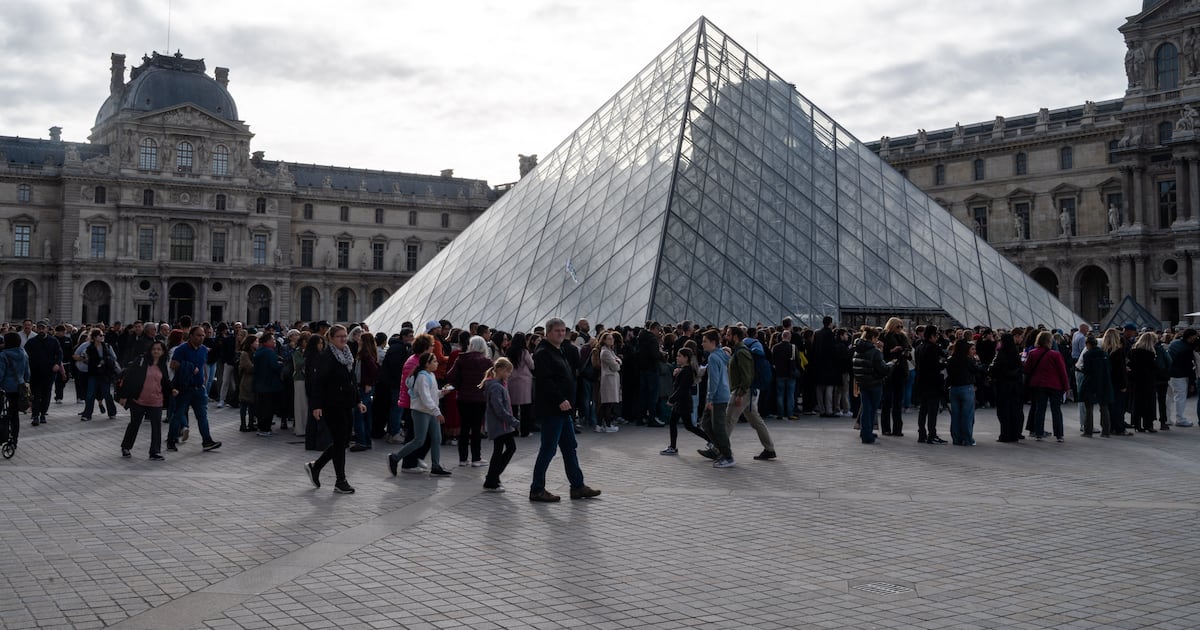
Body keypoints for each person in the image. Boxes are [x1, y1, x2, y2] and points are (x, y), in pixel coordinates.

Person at [528, 318, 600, 502]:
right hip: (553, 408)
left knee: (570, 447)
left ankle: (577, 486)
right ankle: (536, 489)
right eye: (557, 331)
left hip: (563, 409)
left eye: (562, 331)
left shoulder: (559, 349)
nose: (561, 334)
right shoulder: (543, 352)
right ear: (548, 332)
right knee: (548, 449)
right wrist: (560, 399)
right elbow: (545, 380)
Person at [305, 324, 366, 494]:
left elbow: (352, 379)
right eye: (339, 336)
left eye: (345, 335)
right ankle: (341, 480)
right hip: (331, 404)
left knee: (344, 441)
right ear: (331, 338)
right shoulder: (326, 357)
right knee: (340, 441)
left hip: (346, 402)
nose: (343, 339)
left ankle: (315, 467)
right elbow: (318, 382)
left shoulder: (347, 354)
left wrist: (358, 400)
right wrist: (316, 405)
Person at [387, 351, 453, 478]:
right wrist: (437, 412)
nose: (437, 363)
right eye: (434, 361)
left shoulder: (430, 375)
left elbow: (431, 394)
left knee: (437, 438)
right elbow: (425, 397)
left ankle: (435, 466)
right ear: (427, 364)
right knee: (419, 440)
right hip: (421, 412)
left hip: (430, 411)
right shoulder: (423, 376)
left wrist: (441, 393)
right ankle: (395, 457)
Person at [167, 326, 222, 452]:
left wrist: (204, 377)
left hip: (199, 388)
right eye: (198, 335)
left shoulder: (203, 349)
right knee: (178, 415)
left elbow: (202, 364)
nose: (201, 338)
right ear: (191, 336)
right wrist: (190, 367)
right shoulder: (182, 349)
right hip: (184, 387)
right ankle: (171, 440)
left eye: (203, 335)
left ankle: (207, 441)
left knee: (202, 416)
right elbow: (173, 364)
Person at [117, 341, 174, 460]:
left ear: (163, 352)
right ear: (150, 350)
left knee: (156, 426)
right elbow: (129, 377)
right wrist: (124, 396)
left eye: (159, 349)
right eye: (154, 349)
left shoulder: (163, 364)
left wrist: (172, 390)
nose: (156, 351)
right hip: (139, 400)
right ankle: (126, 447)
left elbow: (165, 381)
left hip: (156, 400)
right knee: (134, 424)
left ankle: (155, 452)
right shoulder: (142, 361)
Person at [726, 326, 776, 460]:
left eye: (728, 335)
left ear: (735, 337)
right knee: (755, 420)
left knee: (729, 418)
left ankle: (719, 449)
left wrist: (740, 394)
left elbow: (747, 375)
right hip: (748, 390)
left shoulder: (741, 351)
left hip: (743, 390)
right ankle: (769, 448)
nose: (726, 337)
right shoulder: (740, 350)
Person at [447, 336, 492, 466]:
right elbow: (492, 380)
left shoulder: (461, 359)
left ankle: (463, 459)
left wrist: (459, 385)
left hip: (463, 398)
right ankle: (476, 459)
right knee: (476, 429)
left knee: (465, 428)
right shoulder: (487, 362)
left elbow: (450, 376)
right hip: (480, 398)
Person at [697, 329, 734, 467]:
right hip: (721, 394)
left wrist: (710, 399)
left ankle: (727, 456)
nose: (702, 344)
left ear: (713, 342)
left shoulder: (713, 357)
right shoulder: (720, 354)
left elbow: (714, 380)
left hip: (717, 396)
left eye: (705, 341)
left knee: (718, 427)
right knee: (706, 424)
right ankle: (718, 450)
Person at [481, 357, 519, 492]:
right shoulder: (496, 387)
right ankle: (492, 478)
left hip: (502, 424)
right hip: (500, 425)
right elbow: (499, 409)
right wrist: (513, 421)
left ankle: (493, 477)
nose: (509, 375)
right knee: (502, 450)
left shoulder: (499, 384)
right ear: (501, 370)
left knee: (507, 449)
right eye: (508, 372)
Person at [662, 347, 708, 454]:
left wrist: (672, 400)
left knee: (688, 426)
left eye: (679, 356)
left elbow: (682, 388)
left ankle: (710, 440)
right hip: (682, 402)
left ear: (686, 358)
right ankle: (673, 446)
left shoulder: (686, 371)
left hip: (683, 402)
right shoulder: (685, 370)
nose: (677, 358)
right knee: (681, 424)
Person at [1025, 330, 1069, 443]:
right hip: (1055, 385)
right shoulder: (1055, 354)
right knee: (1056, 410)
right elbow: (1062, 372)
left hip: (1039, 385)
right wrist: (1066, 387)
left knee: (1040, 409)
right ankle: (1059, 435)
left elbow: (1027, 369)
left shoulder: (1033, 353)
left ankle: (1038, 433)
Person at [851, 327, 890, 444]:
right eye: (876, 338)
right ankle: (867, 435)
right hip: (874, 383)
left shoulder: (858, 350)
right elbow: (883, 368)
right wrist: (891, 364)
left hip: (862, 382)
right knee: (871, 409)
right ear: (872, 338)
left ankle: (865, 432)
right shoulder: (875, 352)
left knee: (865, 408)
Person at [946, 339, 985, 446]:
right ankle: (967, 439)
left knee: (955, 415)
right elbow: (976, 370)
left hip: (954, 389)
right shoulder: (967, 360)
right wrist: (978, 363)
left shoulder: (951, 359)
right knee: (967, 415)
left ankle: (956, 438)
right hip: (966, 388)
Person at [24, 321, 63, 427]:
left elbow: (59, 354)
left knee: (46, 394)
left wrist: (57, 364)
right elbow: (25, 356)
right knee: (36, 395)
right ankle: (35, 415)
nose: (41, 330)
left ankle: (42, 414)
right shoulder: (31, 342)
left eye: (43, 328)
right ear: (36, 329)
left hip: (49, 373)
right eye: (39, 328)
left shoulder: (53, 341)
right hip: (35, 373)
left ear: (47, 329)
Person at [913, 326, 947, 444]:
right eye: (936, 335)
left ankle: (921, 434)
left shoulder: (919, 347)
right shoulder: (933, 348)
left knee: (923, 410)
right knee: (932, 411)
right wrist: (943, 365)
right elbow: (936, 365)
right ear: (932, 335)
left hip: (921, 382)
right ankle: (932, 435)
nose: (937, 337)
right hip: (933, 383)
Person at [989, 332, 1024, 442]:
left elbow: (994, 370)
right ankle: (1015, 434)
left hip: (1003, 386)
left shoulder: (1001, 354)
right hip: (1015, 387)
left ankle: (1005, 434)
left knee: (1004, 412)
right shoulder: (1015, 353)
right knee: (1015, 411)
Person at [1076, 336, 1113, 437]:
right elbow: (1109, 368)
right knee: (1104, 407)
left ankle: (1088, 431)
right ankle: (1106, 431)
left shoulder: (1088, 354)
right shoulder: (1104, 354)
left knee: (1089, 407)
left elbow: (1086, 370)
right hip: (1103, 383)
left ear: (1088, 344)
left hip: (1090, 383)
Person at [0, 332, 30, 449]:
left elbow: (1, 374)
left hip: (6, 388)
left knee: (3, 410)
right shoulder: (23, 353)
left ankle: (3, 435)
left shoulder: (3, 355)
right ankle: (14, 439)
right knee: (14, 415)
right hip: (19, 387)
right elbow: (28, 373)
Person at [82, 329, 119, 422]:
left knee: (107, 393)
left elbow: (114, 357)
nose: (102, 337)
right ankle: (87, 414)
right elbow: (86, 359)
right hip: (93, 373)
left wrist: (105, 360)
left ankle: (112, 412)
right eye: (100, 335)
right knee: (90, 394)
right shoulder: (89, 348)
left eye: (103, 335)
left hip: (104, 373)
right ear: (95, 337)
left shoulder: (107, 346)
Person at [349, 338, 379, 451]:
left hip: (363, 387)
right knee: (366, 415)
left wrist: (368, 383)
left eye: (361, 339)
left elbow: (374, 370)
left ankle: (361, 441)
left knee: (359, 414)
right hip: (365, 386)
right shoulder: (369, 353)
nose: (358, 340)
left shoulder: (365, 354)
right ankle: (366, 441)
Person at [252, 332, 283, 437]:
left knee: (261, 407)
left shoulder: (259, 351)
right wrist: (281, 365)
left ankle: (261, 428)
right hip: (269, 384)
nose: (274, 341)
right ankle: (265, 429)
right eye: (273, 340)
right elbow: (274, 367)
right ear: (267, 342)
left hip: (260, 384)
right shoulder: (269, 352)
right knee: (268, 408)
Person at [1128, 332, 1159, 433]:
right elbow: (1154, 368)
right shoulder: (1150, 354)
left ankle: (1137, 424)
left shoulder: (1133, 351)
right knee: (1149, 403)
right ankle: (1148, 424)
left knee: (1137, 403)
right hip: (1148, 381)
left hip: (1136, 381)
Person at [1166, 329, 1197, 427]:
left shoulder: (1174, 343)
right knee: (1180, 398)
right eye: (1195, 336)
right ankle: (1180, 418)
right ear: (1191, 337)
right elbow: (1189, 366)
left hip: (1169, 374)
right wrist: (1192, 382)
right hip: (1180, 375)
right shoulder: (1187, 349)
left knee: (1169, 397)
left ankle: (1167, 418)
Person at [507, 332, 535, 436]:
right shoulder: (524, 352)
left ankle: (513, 430)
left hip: (512, 380)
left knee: (513, 407)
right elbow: (532, 366)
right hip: (524, 382)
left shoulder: (509, 351)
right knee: (525, 408)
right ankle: (525, 431)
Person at [597, 331, 622, 433]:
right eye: (609, 339)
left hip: (611, 379)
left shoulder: (609, 351)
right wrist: (618, 362)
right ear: (603, 340)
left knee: (606, 403)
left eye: (612, 338)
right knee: (608, 403)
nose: (612, 340)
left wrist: (618, 361)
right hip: (609, 380)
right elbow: (616, 366)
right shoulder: (606, 352)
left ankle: (599, 425)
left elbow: (618, 360)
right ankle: (607, 425)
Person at [237, 336, 258, 432]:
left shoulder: (255, 353)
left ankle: (251, 423)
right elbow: (249, 367)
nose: (257, 343)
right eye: (256, 342)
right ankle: (243, 424)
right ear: (251, 343)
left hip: (254, 381)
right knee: (244, 404)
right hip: (246, 381)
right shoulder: (244, 354)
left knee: (252, 404)